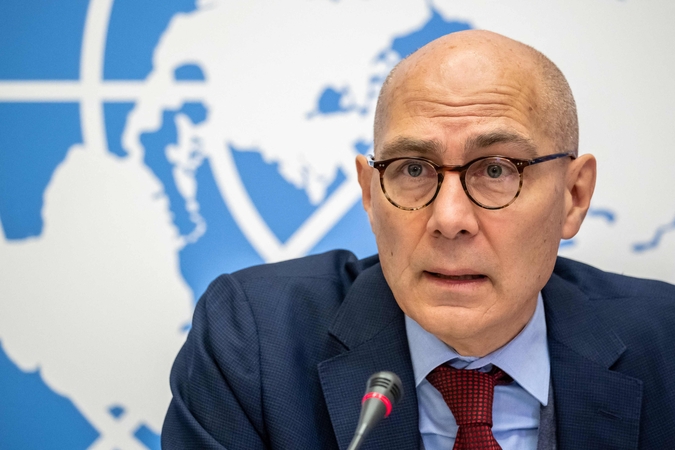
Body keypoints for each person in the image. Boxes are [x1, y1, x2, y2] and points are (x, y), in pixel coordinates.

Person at [161, 30, 675, 449]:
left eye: (497, 169)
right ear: (370, 193)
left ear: (573, 196)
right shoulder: (254, 342)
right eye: (412, 169)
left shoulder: (666, 344)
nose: (449, 219)